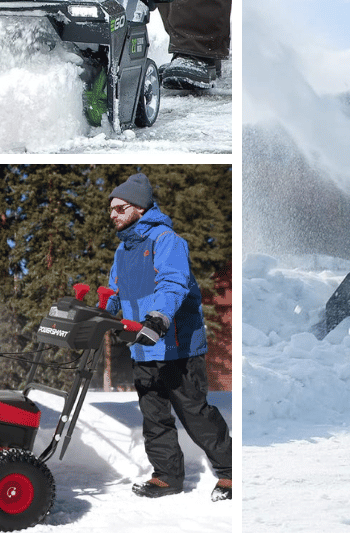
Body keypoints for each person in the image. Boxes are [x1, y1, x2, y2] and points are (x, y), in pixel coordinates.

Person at [103, 172, 233, 500]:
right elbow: (113, 292)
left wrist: (158, 318)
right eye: (111, 209)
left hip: (176, 345)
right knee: (154, 417)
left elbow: (173, 282)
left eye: (120, 208)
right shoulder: (122, 252)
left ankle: (231, 472)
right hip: (143, 347)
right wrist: (100, 310)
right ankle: (167, 476)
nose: (112, 214)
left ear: (140, 208)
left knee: (195, 413)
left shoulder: (166, 240)